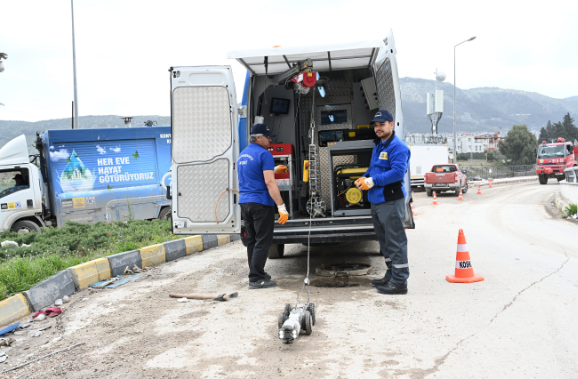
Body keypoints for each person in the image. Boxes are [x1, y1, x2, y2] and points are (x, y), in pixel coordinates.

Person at [355, 110, 411, 295]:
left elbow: (397, 172)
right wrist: (363, 178)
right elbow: (373, 168)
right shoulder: (379, 145)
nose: (378, 128)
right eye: (376, 125)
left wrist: (371, 182)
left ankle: (400, 282)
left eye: (382, 124)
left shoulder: (398, 147)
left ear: (391, 124)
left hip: (390, 200)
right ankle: (391, 274)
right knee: (385, 242)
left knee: (395, 241)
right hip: (377, 200)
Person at [237, 123, 289, 289]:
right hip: (260, 203)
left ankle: (256, 273)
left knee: (252, 241)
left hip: (245, 203)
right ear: (258, 138)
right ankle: (256, 278)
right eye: (267, 137)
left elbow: (253, 174)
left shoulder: (243, 155)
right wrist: (281, 206)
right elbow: (269, 182)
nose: (270, 139)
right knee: (263, 241)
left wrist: (272, 169)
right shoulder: (264, 154)